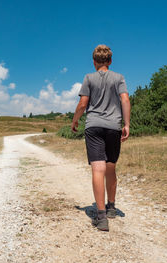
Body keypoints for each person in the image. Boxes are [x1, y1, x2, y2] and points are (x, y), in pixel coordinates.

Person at [71, 44, 131, 231]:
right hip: (114, 127)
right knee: (110, 167)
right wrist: (126, 124)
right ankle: (111, 207)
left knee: (98, 169)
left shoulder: (89, 78)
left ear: (94, 62)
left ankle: (101, 217)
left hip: (94, 126)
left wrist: (75, 121)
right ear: (110, 61)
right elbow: (125, 99)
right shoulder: (119, 77)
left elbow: (83, 103)